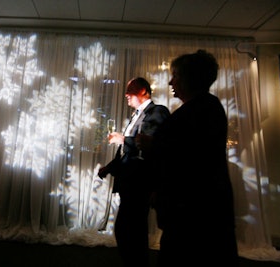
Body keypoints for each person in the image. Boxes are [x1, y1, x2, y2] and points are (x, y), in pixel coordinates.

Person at [152, 50, 239, 266]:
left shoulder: (199, 111)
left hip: (193, 215)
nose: (171, 81)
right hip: (198, 211)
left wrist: (155, 145)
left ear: (191, 78)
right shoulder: (207, 107)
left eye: (176, 76)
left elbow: (187, 159)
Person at [98, 77, 170, 267]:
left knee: (130, 230)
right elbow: (127, 153)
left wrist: (123, 139)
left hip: (141, 182)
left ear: (144, 91)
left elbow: (150, 143)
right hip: (129, 182)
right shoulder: (135, 115)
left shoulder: (157, 111)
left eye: (131, 90)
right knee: (127, 229)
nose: (126, 94)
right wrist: (109, 167)